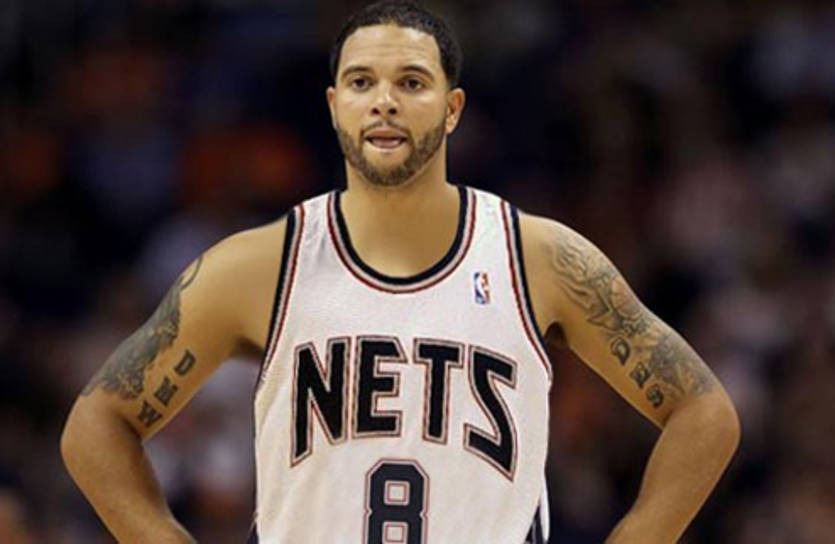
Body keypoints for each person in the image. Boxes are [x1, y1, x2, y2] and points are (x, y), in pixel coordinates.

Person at [60, 1, 740, 542]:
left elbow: (703, 412)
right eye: (362, 82)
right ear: (334, 106)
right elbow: (97, 424)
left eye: (411, 82)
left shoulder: (538, 258)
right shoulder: (257, 267)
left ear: (453, 109)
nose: (383, 101)